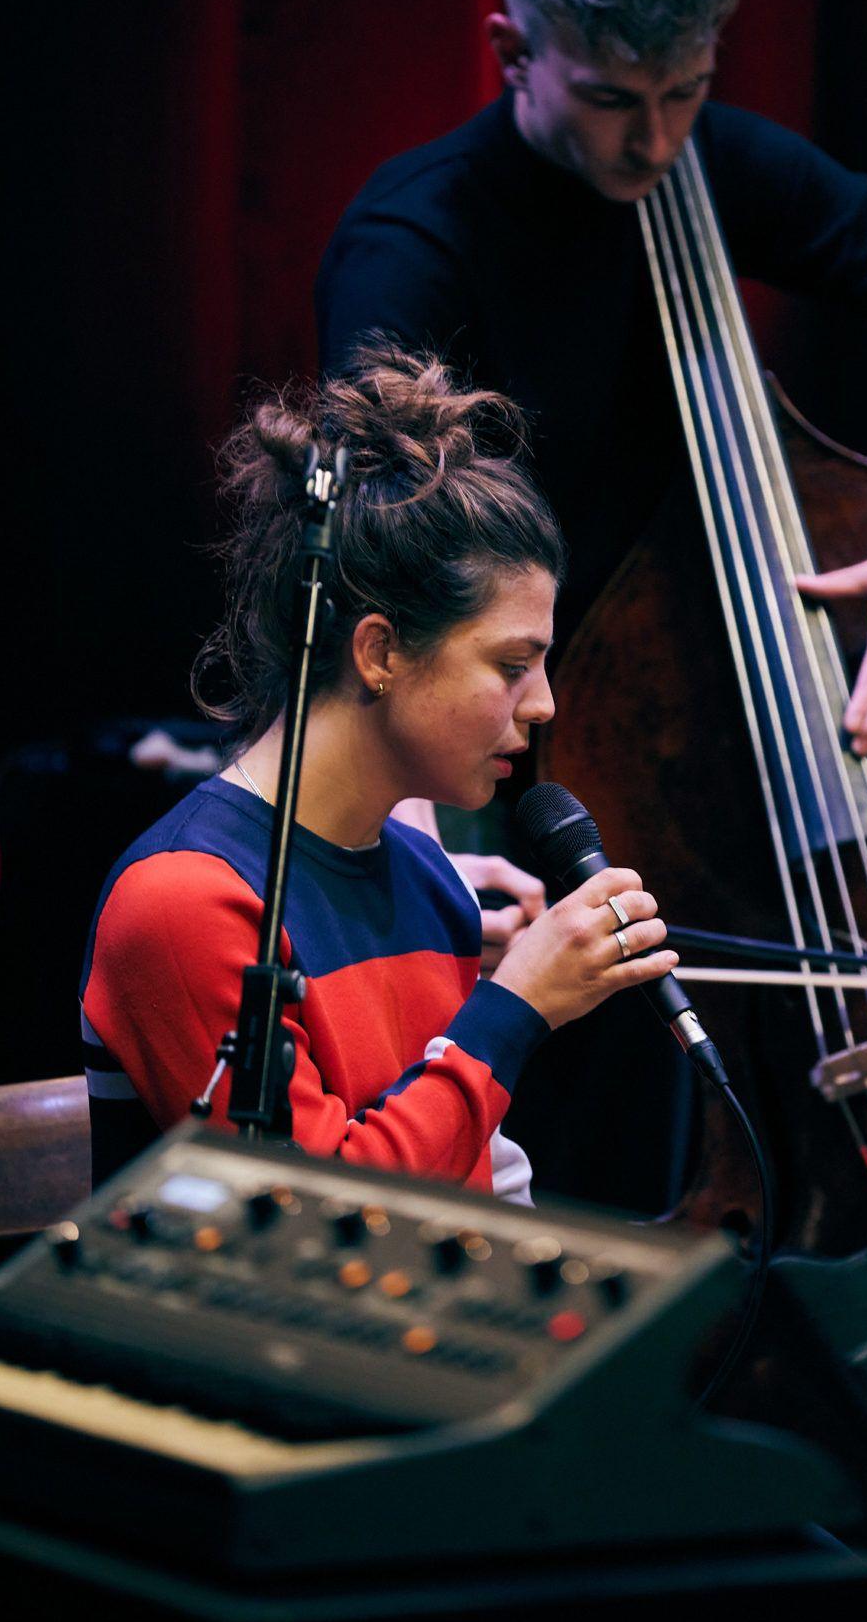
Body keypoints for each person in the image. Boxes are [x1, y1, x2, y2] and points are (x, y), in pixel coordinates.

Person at [315, 0, 867, 779]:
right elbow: (373, 545)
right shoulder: (410, 241)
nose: (658, 141)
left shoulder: (716, 163)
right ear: (513, 53)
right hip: (495, 727)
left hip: (723, 706)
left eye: (687, 89)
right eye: (610, 99)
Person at [79, 339, 678, 1191]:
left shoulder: (427, 877)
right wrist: (515, 1009)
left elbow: (469, 1187)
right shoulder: (187, 900)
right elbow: (322, 1222)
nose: (543, 704)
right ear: (379, 652)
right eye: (512, 666)